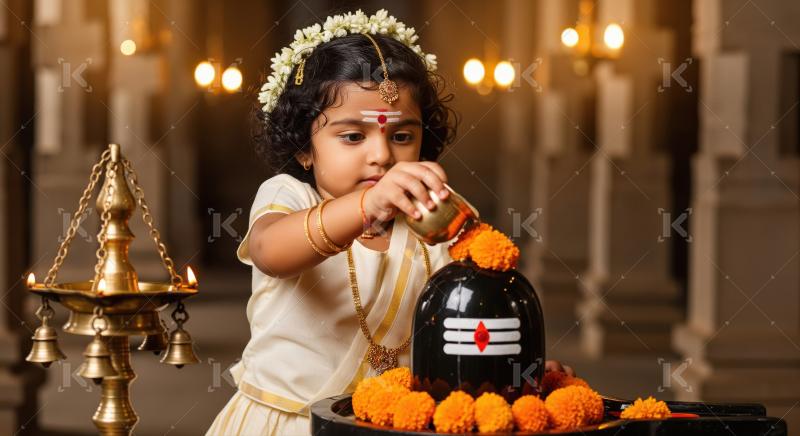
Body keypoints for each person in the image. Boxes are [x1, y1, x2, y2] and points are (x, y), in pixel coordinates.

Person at [206, 9, 571, 435]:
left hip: (395, 423)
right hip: (287, 421)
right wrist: (369, 202)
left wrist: (509, 368)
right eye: (353, 137)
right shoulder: (289, 196)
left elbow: (471, 311)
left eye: (401, 136)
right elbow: (271, 251)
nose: (381, 156)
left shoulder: (435, 211)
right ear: (305, 147)